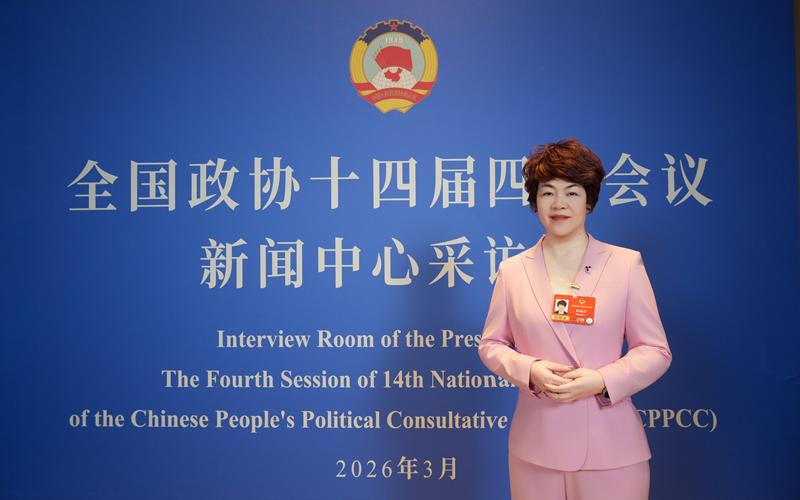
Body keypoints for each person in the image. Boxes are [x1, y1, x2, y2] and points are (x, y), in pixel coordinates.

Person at [478, 138, 672, 500]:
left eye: (571, 192)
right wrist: (530, 370)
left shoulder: (625, 264)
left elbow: (655, 350)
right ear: (535, 201)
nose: (559, 203)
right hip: (535, 448)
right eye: (547, 192)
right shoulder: (512, 270)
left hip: (612, 448)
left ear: (589, 201)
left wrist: (601, 380)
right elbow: (491, 344)